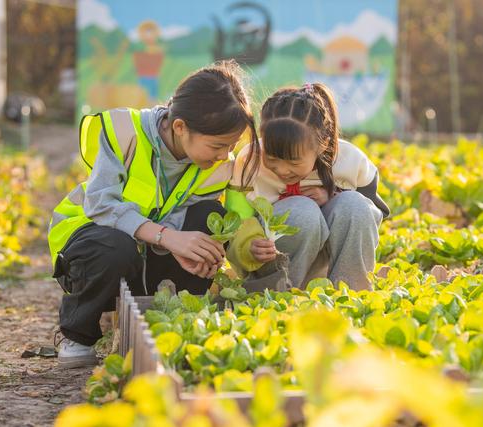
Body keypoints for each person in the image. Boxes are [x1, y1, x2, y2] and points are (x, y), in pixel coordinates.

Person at [48, 61, 260, 367]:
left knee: (209, 217)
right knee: (115, 247)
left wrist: (181, 246)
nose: (224, 156)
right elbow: (100, 205)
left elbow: (185, 220)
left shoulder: (214, 167)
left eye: (230, 146)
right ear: (179, 127)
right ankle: (77, 333)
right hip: (93, 248)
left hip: (147, 255)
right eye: (218, 145)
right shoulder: (125, 132)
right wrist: (168, 237)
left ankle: (176, 317)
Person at [226, 83, 389, 292]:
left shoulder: (350, 162)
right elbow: (235, 218)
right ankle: (277, 293)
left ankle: (350, 291)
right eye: (272, 158)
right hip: (268, 261)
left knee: (354, 205)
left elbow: (373, 213)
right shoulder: (249, 162)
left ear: (323, 144)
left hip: (326, 263)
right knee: (303, 211)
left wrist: (334, 196)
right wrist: (249, 244)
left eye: (294, 162)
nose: (283, 170)